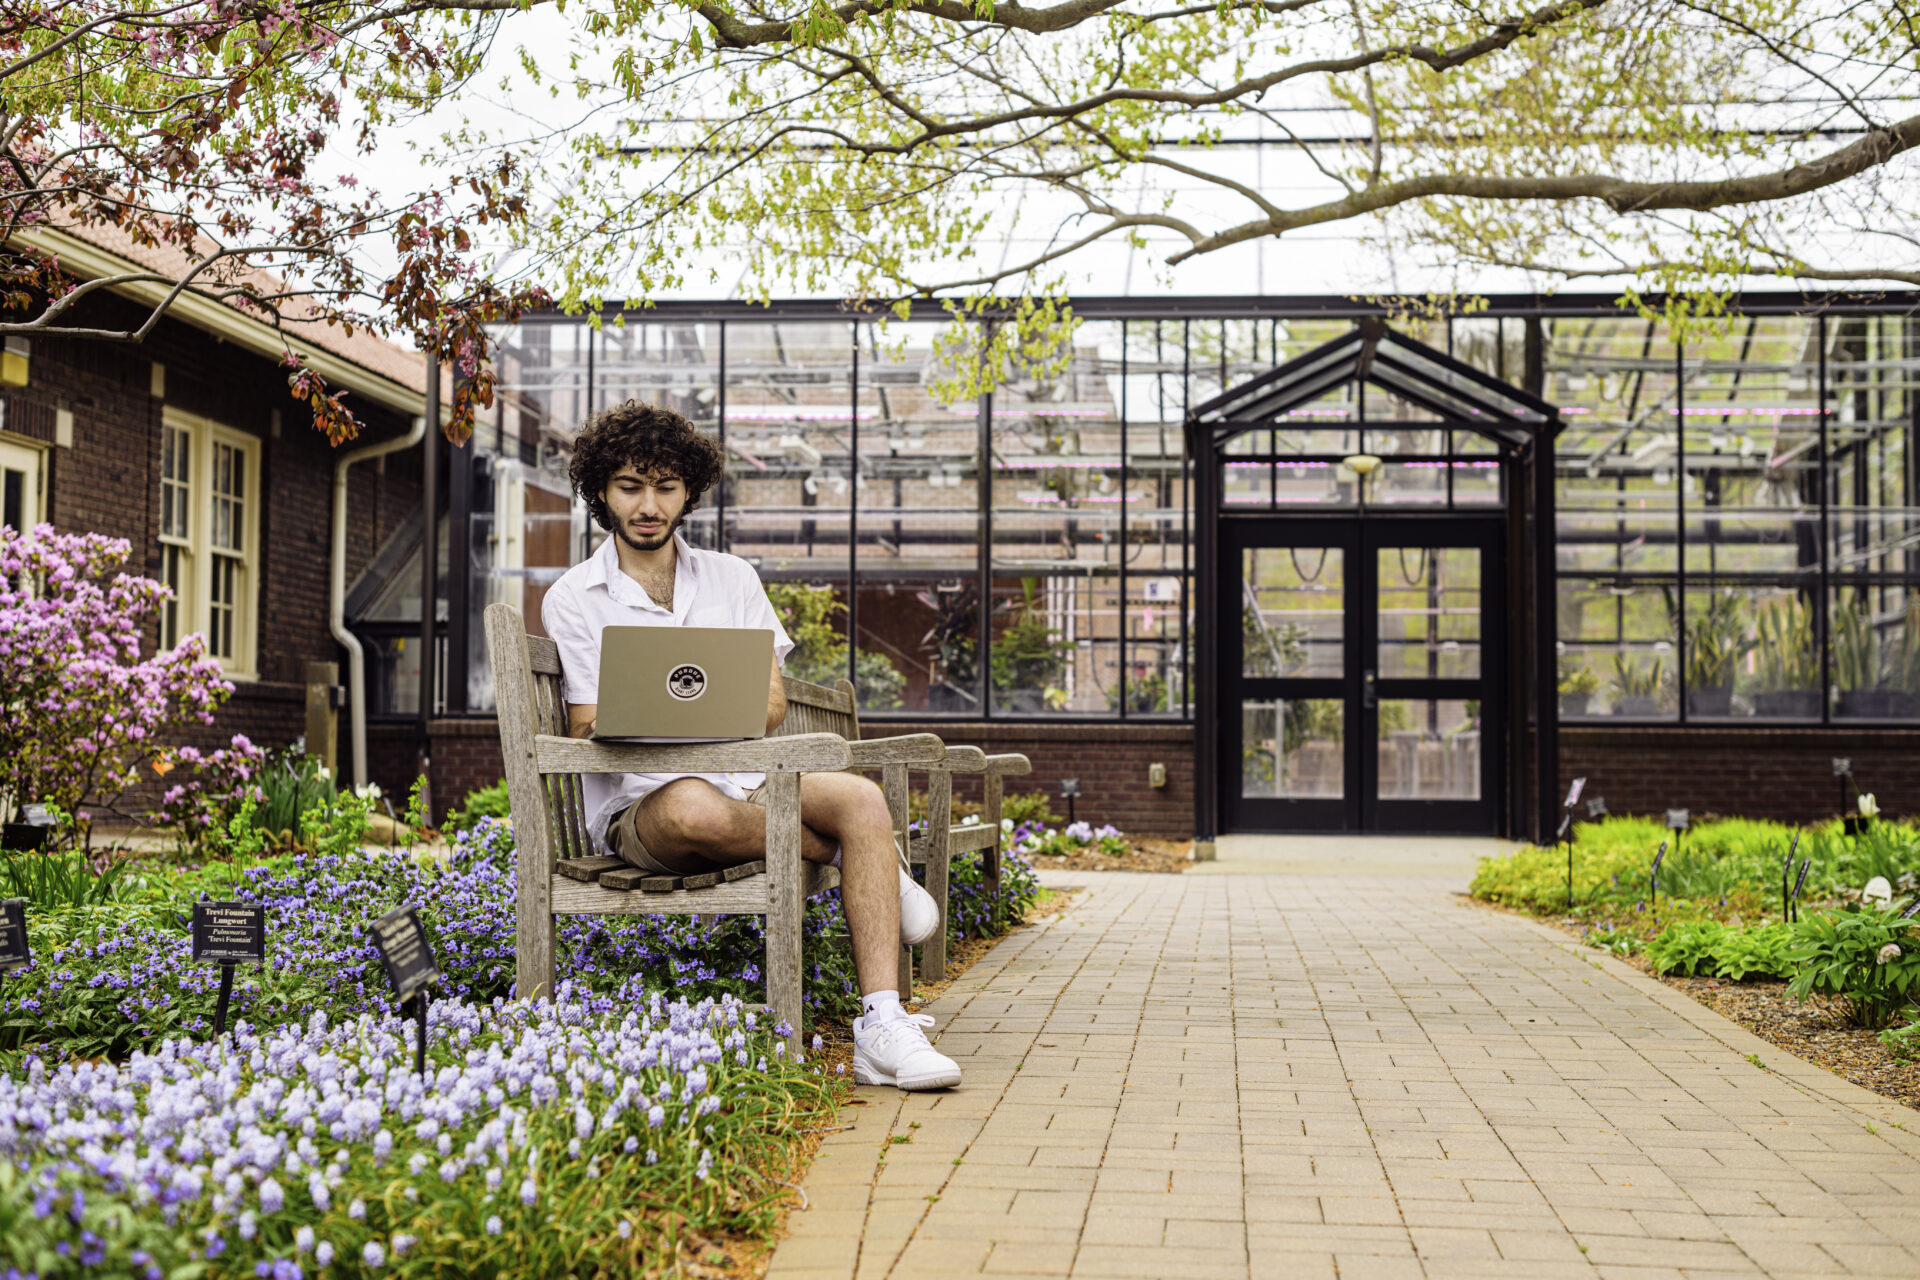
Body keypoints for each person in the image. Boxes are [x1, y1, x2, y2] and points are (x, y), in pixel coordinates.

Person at [542, 400, 962, 1091]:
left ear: (689, 492)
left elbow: (769, 706)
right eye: (629, 486)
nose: (649, 505)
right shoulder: (575, 596)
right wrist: (695, 716)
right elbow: (588, 723)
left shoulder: (733, 579)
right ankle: (873, 861)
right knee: (694, 811)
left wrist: (668, 707)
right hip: (645, 801)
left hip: (748, 777)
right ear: (600, 492)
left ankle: (882, 1026)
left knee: (860, 796)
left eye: (666, 487)